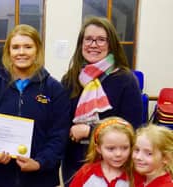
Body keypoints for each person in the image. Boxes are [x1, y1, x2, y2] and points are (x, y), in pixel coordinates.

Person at [0, 24, 70, 187]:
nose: (21, 52)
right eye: (16, 47)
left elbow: (59, 134)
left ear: (37, 50)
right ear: (8, 52)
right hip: (1, 179)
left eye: (28, 47)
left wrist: (39, 162)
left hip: (41, 179)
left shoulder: (54, 89)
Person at [61, 16, 143, 185]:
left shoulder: (126, 80)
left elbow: (132, 129)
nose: (93, 44)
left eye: (101, 40)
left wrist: (90, 131)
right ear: (81, 43)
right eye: (89, 39)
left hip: (113, 165)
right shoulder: (70, 79)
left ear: (110, 44)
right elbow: (60, 121)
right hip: (75, 162)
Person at [69, 117, 135, 187]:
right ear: (99, 148)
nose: (118, 154)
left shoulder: (134, 175)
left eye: (125, 148)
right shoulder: (86, 172)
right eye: (111, 148)